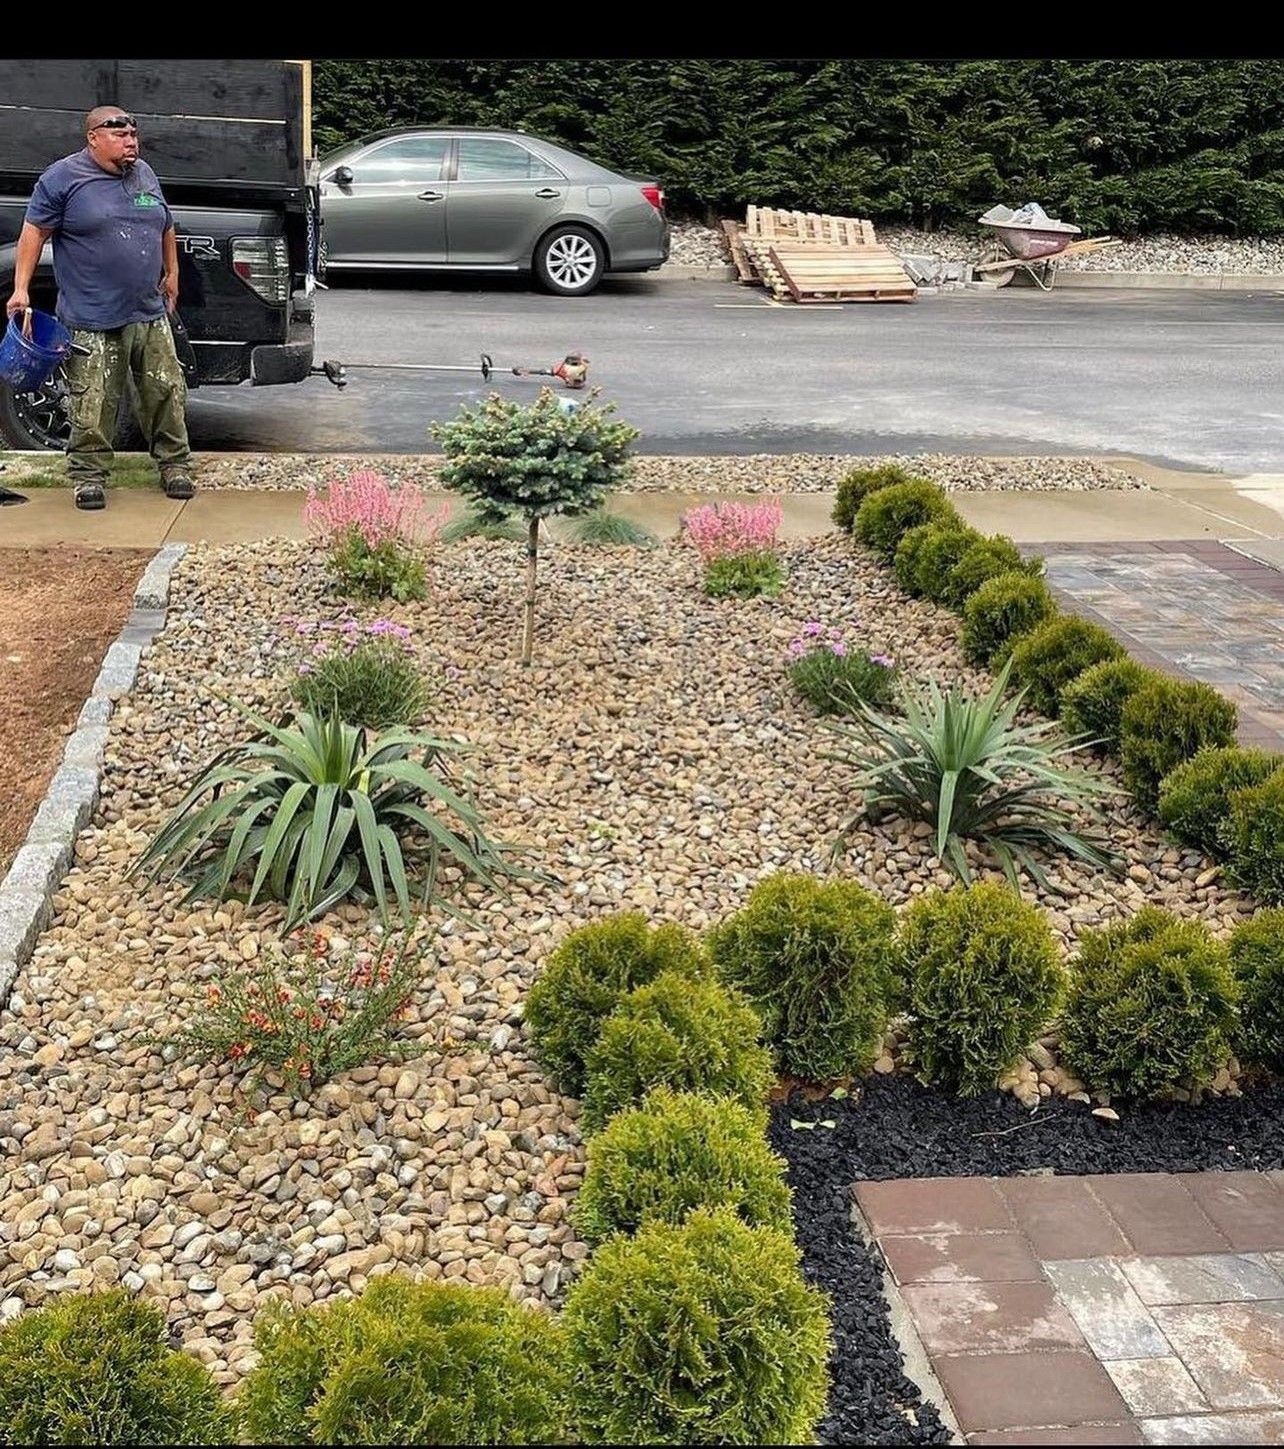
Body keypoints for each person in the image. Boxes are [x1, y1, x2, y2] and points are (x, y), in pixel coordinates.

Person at [4, 106, 196, 510]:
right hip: (91, 316)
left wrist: (173, 272)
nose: (131, 142)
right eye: (120, 135)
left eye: (134, 135)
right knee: (93, 401)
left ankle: (174, 465)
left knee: (165, 390)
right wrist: (21, 288)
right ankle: (88, 476)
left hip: (148, 310)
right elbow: (34, 231)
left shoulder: (143, 173)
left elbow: (164, 223)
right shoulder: (62, 178)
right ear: (93, 137)